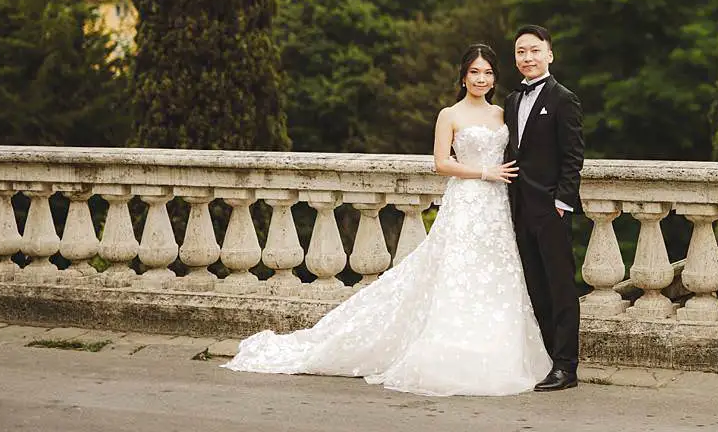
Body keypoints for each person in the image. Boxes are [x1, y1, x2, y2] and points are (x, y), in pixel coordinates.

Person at [223, 43, 552, 397]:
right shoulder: (450, 115)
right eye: (474, 72)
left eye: (487, 73)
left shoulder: (502, 114)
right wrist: (484, 172)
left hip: (497, 206)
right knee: (457, 272)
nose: (481, 79)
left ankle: (494, 352)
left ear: (495, 78)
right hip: (468, 200)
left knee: (496, 273)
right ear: (463, 77)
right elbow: (441, 163)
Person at [506, 24, 584, 391]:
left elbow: (573, 156)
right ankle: (548, 358)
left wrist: (562, 203)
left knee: (561, 288)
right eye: (521, 52)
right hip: (519, 208)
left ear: (549, 55)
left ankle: (567, 367)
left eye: (535, 50)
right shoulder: (511, 100)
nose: (528, 57)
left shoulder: (564, 99)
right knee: (536, 287)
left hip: (551, 209)